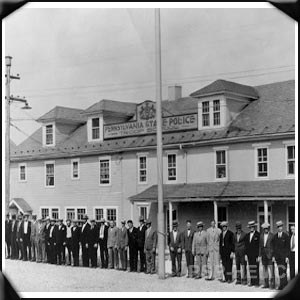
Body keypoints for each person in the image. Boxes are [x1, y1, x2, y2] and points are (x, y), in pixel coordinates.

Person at [272, 220, 290, 290]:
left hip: (283, 257)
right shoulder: (275, 236)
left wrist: (287, 257)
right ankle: (281, 285)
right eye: (278, 227)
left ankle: (285, 285)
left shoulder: (285, 236)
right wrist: (273, 256)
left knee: (284, 271)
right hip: (278, 257)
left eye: (281, 226)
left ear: (282, 227)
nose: (280, 228)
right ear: (277, 228)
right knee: (280, 271)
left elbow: (287, 247)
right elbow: (274, 247)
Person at [258, 222, 275, 289]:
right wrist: (259, 255)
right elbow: (260, 246)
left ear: (269, 229)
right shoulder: (261, 235)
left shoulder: (272, 235)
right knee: (265, 270)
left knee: (271, 270)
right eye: (264, 229)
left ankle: (272, 284)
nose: (266, 230)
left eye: (267, 228)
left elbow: (274, 246)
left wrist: (273, 256)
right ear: (263, 229)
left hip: (270, 255)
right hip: (263, 255)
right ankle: (266, 284)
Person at [245, 220, 260, 287]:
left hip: (255, 255)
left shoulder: (258, 234)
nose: (251, 228)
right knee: (251, 268)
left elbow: (259, 246)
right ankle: (252, 281)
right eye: (250, 227)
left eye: (253, 227)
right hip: (249, 254)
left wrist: (259, 256)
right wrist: (246, 254)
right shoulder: (247, 235)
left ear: (254, 227)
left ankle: (256, 282)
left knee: (256, 268)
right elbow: (246, 246)